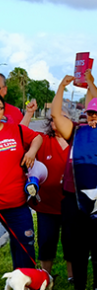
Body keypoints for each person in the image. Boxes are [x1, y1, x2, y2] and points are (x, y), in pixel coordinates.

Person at [51, 75, 97, 290]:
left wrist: (90, 83)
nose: (92, 116)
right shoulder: (78, 131)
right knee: (77, 246)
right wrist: (61, 87)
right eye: (90, 113)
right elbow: (56, 115)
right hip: (73, 198)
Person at [22, 100, 69, 279]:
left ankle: (72, 277)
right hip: (46, 205)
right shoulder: (42, 140)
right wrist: (28, 114)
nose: (56, 121)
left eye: (62, 118)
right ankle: (45, 276)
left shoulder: (76, 140)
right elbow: (20, 134)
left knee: (71, 242)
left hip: (71, 203)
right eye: (54, 118)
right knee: (46, 241)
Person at [0, 88, 43, 270]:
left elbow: (37, 137)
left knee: (25, 243)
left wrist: (32, 151)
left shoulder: (16, 129)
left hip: (15, 203)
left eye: (0, 108)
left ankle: (27, 282)